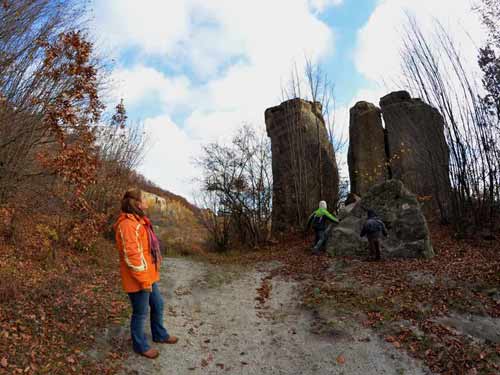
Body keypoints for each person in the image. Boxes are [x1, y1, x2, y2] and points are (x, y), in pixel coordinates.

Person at [114, 189, 178, 359]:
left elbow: (146, 251)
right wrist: (144, 280)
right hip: (138, 279)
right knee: (140, 313)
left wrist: (150, 275)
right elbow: (132, 256)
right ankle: (140, 345)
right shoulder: (127, 225)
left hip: (148, 276)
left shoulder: (140, 222)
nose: (146, 203)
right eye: (143, 200)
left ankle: (159, 334)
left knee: (158, 305)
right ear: (135, 203)